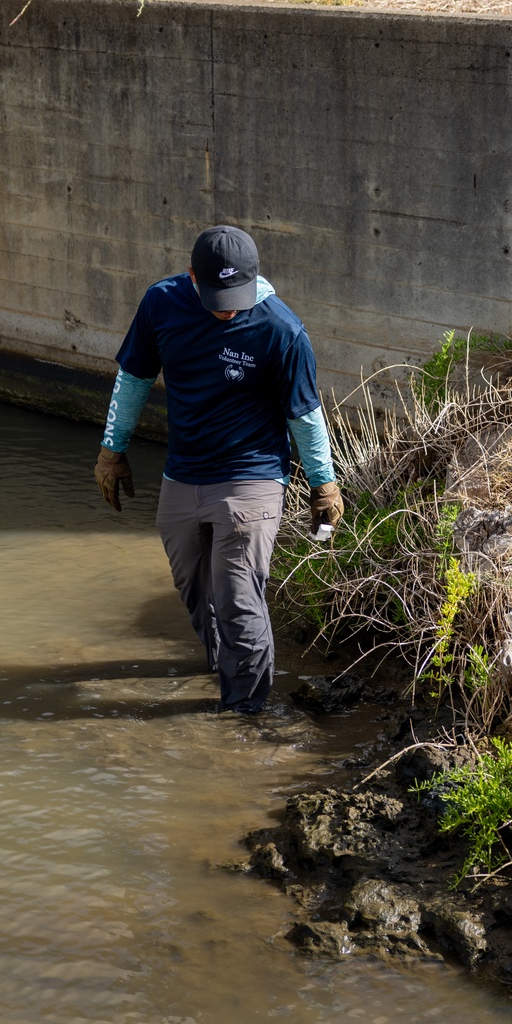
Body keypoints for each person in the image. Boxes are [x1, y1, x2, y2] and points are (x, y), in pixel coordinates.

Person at [94, 225, 344, 714]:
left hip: (252, 477)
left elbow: (305, 413)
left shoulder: (281, 328)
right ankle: (220, 671)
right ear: (192, 277)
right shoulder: (161, 304)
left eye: (238, 295)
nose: (229, 308)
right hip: (182, 474)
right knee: (196, 591)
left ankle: (245, 717)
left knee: (236, 599)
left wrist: (324, 484)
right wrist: (112, 451)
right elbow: (134, 377)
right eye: (218, 297)